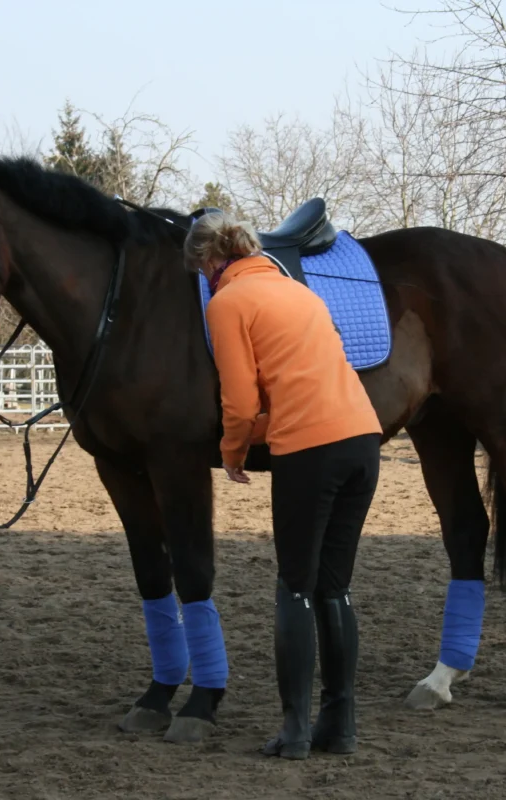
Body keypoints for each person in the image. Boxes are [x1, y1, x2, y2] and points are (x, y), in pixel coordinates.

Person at [185, 211, 383, 760]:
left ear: (212, 260)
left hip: (310, 451)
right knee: (334, 587)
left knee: (294, 586)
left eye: (202, 269)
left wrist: (231, 452)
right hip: (363, 440)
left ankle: (295, 730)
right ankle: (339, 726)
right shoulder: (300, 292)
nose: (205, 279)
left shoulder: (227, 303)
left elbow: (241, 401)